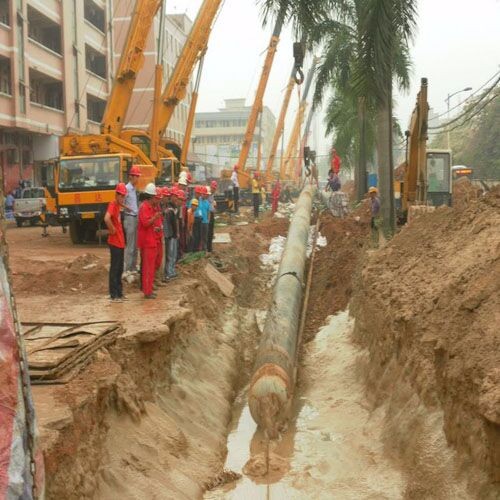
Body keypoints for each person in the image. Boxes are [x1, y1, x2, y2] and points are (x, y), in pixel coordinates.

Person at [138, 183, 162, 299]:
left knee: (151, 268)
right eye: (155, 197)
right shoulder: (144, 207)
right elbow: (145, 223)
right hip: (147, 242)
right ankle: (147, 291)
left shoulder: (150, 207)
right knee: (147, 268)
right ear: (151, 197)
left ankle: (149, 289)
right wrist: (155, 218)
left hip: (151, 240)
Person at [104, 183, 127, 302]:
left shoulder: (118, 205)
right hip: (115, 242)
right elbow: (106, 218)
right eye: (121, 196)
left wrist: (126, 207)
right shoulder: (113, 205)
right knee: (115, 268)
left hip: (120, 242)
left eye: (124, 196)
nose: (122, 198)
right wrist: (112, 229)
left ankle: (119, 292)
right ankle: (114, 294)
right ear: (116, 195)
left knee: (120, 269)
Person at [123, 166, 141, 273]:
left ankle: (133, 267)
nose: (138, 179)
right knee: (130, 245)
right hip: (129, 218)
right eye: (136, 176)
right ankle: (128, 268)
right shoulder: (126, 189)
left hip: (135, 218)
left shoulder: (134, 190)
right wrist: (127, 209)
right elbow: (121, 202)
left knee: (135, 245)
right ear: (131, 177)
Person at [163, 189, 179, 280]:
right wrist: (173, 233)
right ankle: (168, 273)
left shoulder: (173, 207)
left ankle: (171, 271)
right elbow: (171, 223)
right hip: (169, 234)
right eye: (174, 196)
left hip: (171, 234)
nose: (176, 198)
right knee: (169, 254)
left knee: (173, 254)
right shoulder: (169, 209)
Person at [207, 180, 217, 253]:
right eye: (213, 188)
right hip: (208, 214)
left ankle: (210, 248)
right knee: (208, 232)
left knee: (211, 232)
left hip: (211, 214)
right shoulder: (208, 194)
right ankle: (208, 248)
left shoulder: (212, 194)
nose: (214, 190)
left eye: (215, 188)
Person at [199, 186, 211, 250]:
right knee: (200, 236)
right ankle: (200, 249)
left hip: (205, 222)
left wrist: (208, 220)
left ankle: (204, 248)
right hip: (199, 222)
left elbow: (208, 212)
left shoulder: (207, 202)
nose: (207, 196)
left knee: (205, 236)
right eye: (206, 194)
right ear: (202, 194)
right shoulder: (198, 201)